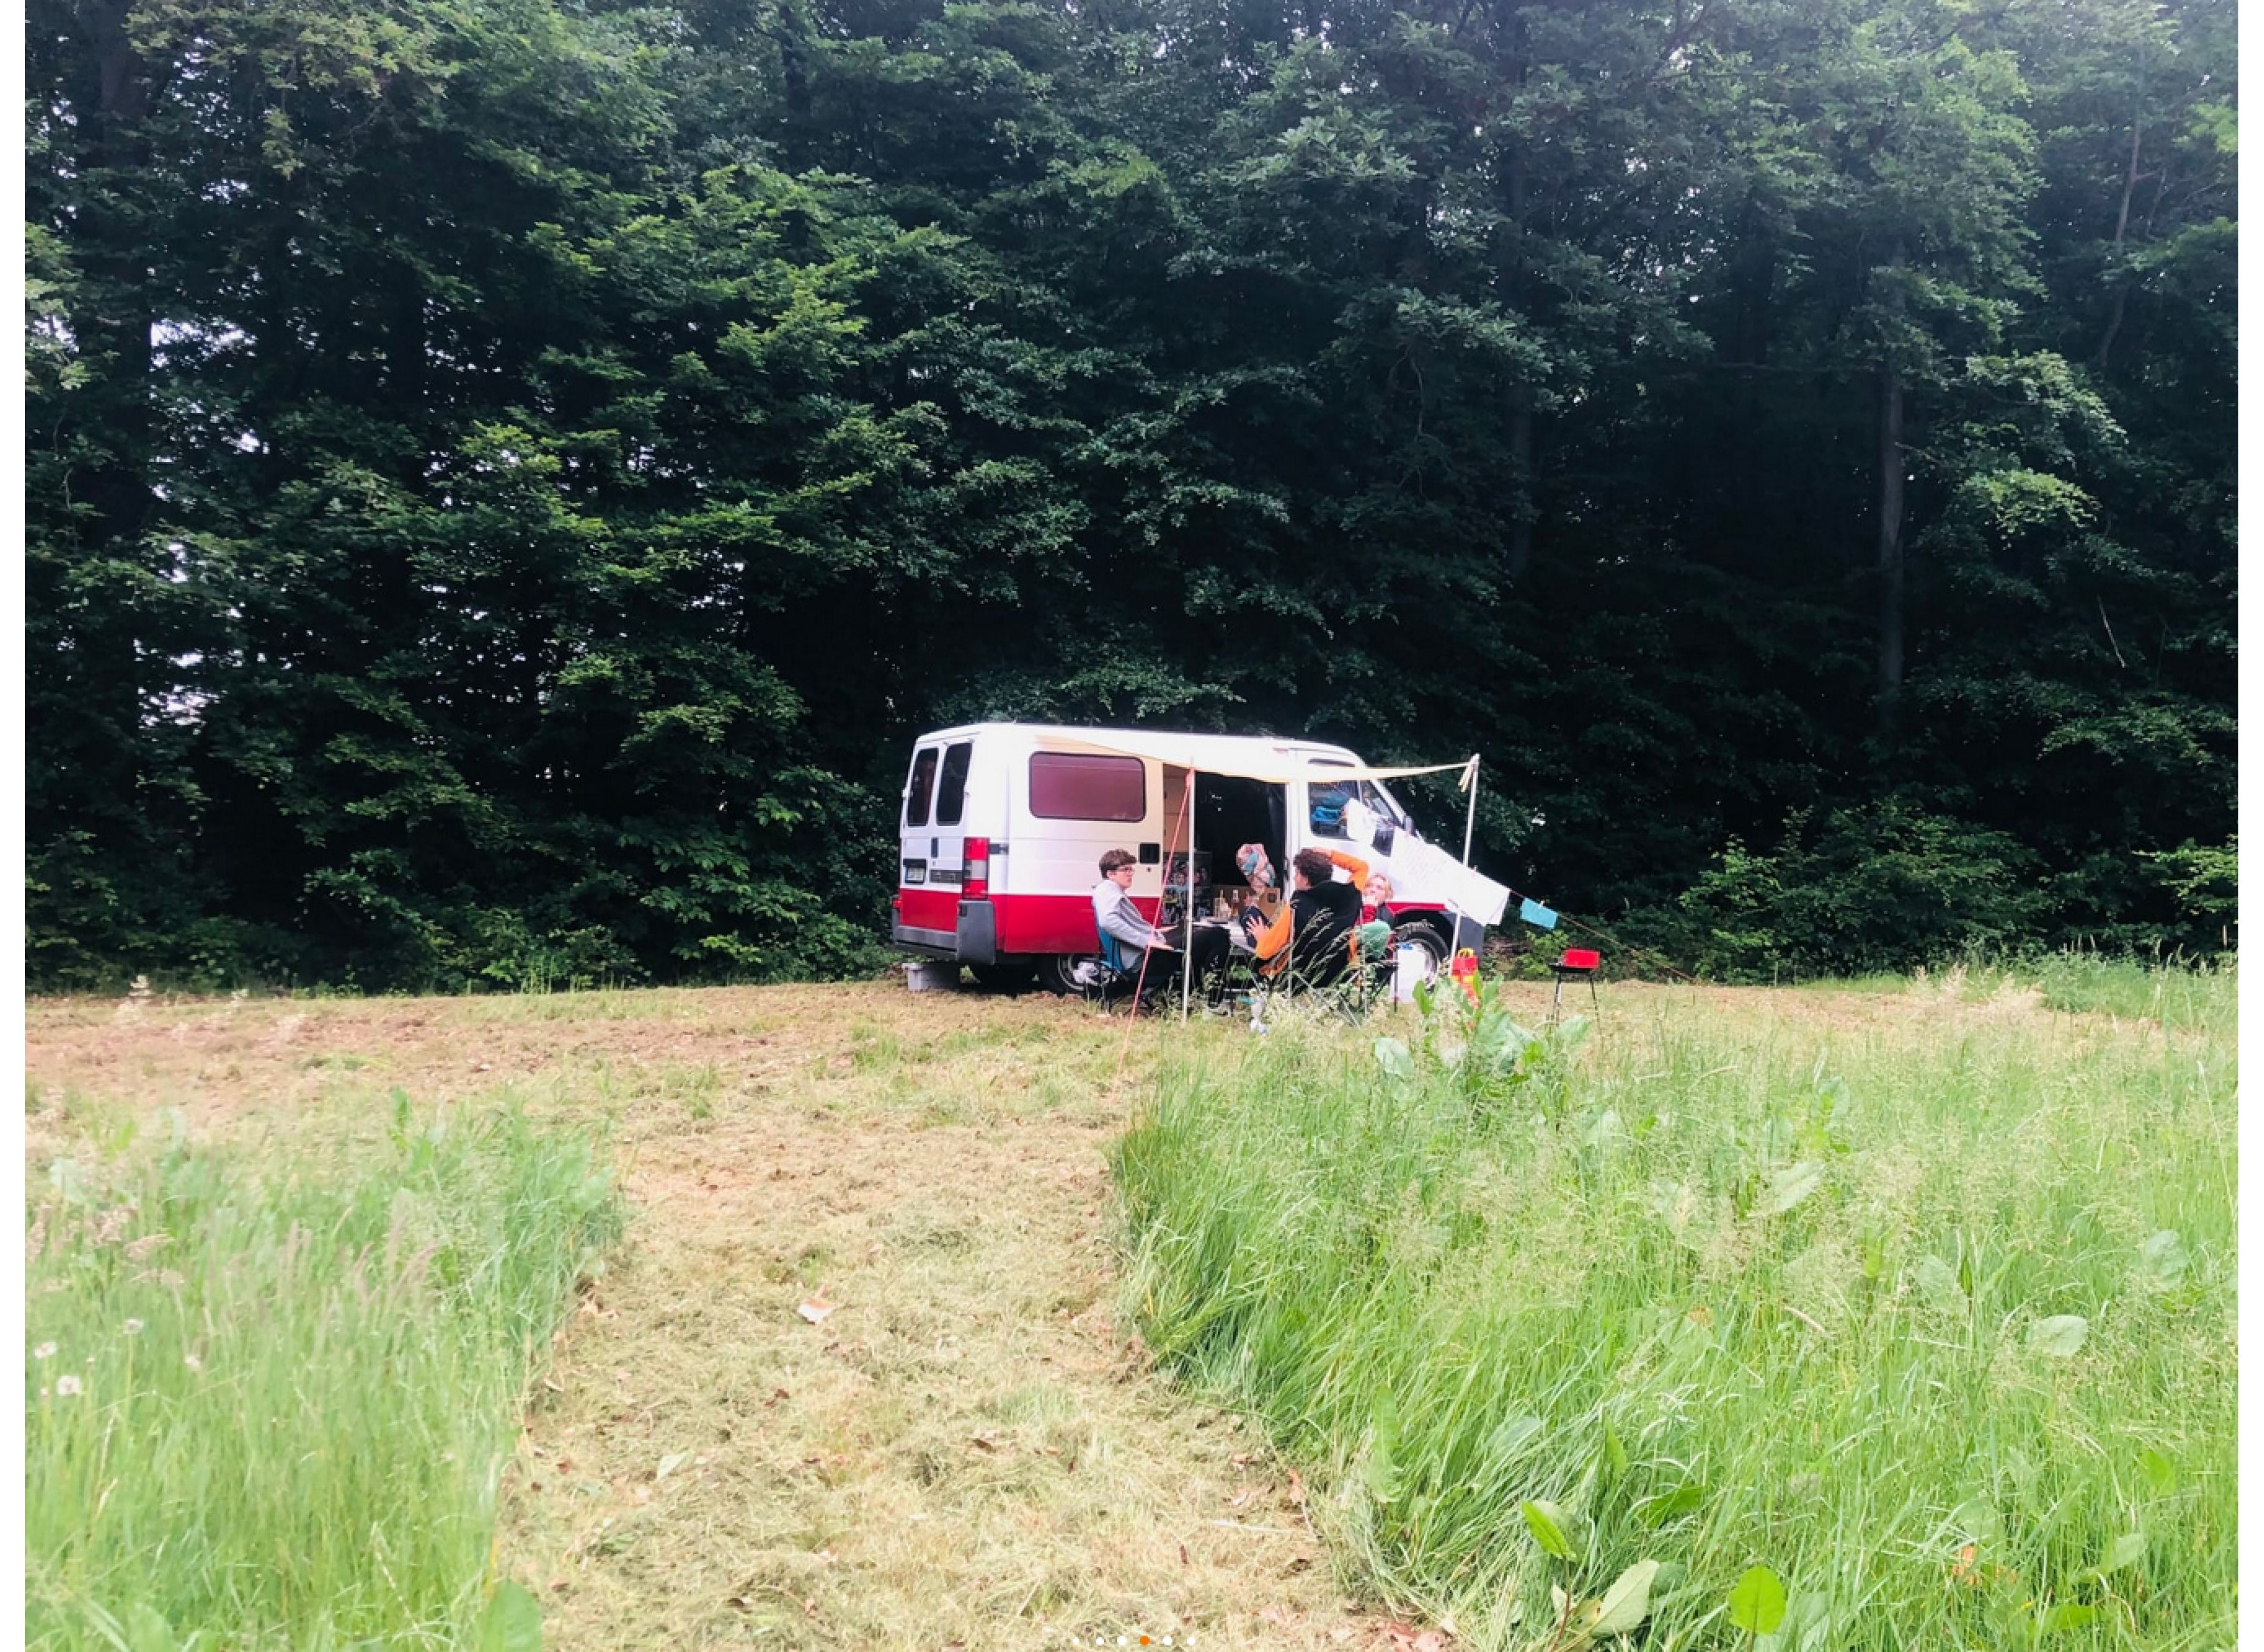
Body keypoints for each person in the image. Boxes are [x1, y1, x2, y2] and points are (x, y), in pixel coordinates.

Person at [1092, 849, 1233, 1001]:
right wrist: (1145, 941)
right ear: (1110, 874)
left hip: (1143, 953)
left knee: (1188, 928)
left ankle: (1193, 992)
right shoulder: (1108, 891)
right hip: (1145, 960)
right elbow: (1108, 921)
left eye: (1131, 869)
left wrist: (1154, 931)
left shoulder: (1107, 891)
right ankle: (1213, 998)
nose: (1130, 874)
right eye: (1125, 870)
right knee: (1218, 935)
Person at [1251, 847, 1369, 983]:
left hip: (1299, 978)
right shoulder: (1350, 896)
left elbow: (1266, 952)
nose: (1295, 878)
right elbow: (1362, 867)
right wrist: (1331, 854)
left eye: (1297, 874)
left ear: (1306, 880)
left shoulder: (1297, 905)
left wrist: (1261, 937)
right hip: (1339, 976)